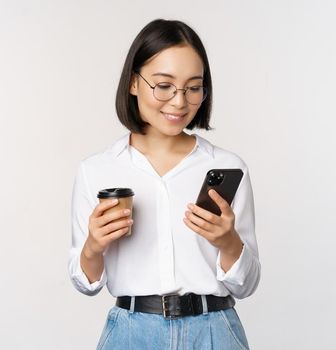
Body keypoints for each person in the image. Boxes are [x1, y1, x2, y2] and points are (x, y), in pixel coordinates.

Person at [68, 19, 260, 349]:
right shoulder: (96, 170)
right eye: (164, 85)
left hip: (214, 332)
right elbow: (85, 283)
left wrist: (228, 241)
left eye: (193, 87)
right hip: (131, 333)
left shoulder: (227, 167)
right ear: (133, 83)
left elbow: (247, 284)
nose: (179, 101)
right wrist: (93, 247)